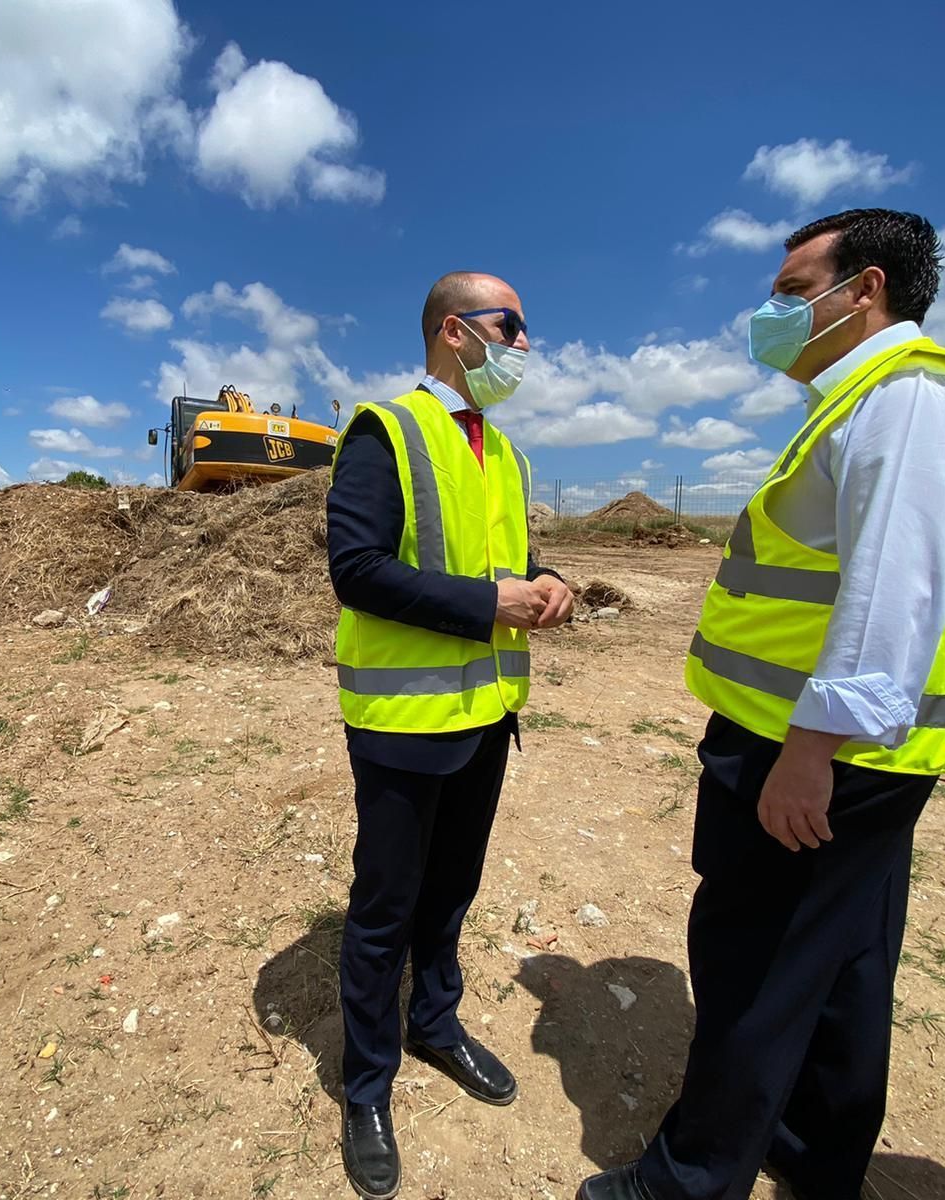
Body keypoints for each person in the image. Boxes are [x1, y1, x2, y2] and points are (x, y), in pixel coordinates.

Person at [577, 210, 945, 1200]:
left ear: (864, 291)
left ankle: (688, 1180)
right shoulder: (864, 399)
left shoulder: (907, 399)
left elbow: (891, 592)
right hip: (845, 756)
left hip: (810, 754)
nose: (772, 311)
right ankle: (812, 1154)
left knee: (754, 970)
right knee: (844, 966)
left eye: (791, 288)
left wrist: (811, 747)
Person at [326, 272, 574, 1199]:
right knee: (385, 907)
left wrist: (542, 581)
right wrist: (490, 602)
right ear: (452, 333)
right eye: (508, 326)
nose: (521, 344)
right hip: (404, 722)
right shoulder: (384, 431)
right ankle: (365, 1086)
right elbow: (357, 570)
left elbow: (500, 562)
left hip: (487, 715)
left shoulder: (502, 452)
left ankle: (436, 1023)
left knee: (453, 893)